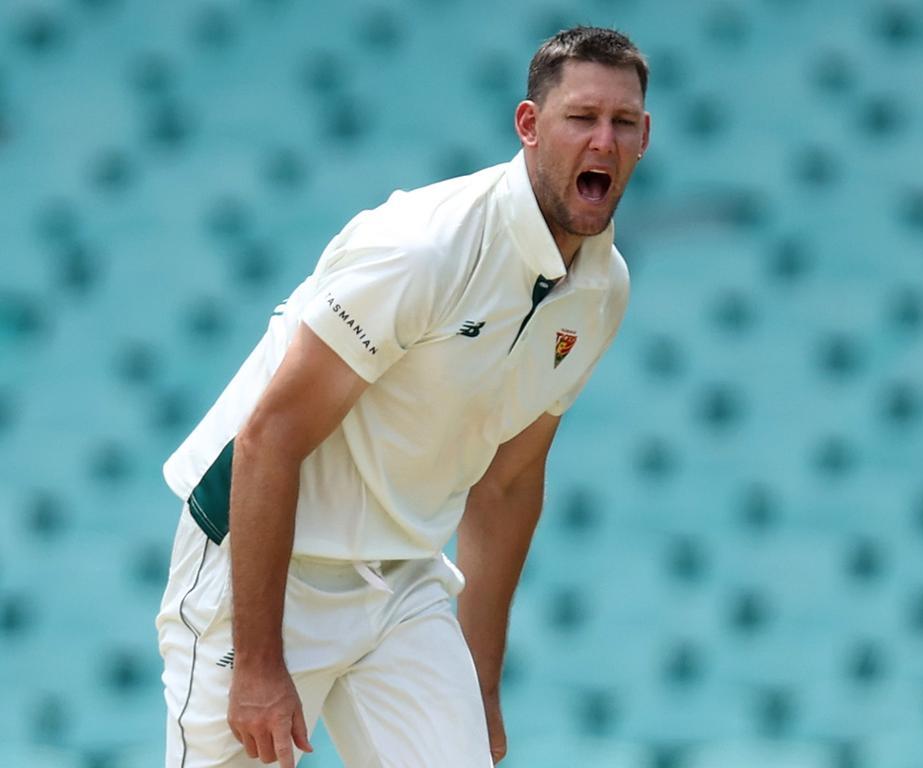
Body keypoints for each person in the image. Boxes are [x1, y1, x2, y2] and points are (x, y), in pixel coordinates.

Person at [156, 25, 651, 768]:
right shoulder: (426, 248)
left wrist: (479, 685)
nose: (602, 143)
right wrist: (259, 664)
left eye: (622, 124)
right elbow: (269, 439)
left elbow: (510, 483)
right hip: (261, 569)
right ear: (529, 126)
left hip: (401, 584)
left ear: (645, 137)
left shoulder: (602, 290)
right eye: (581, 118)